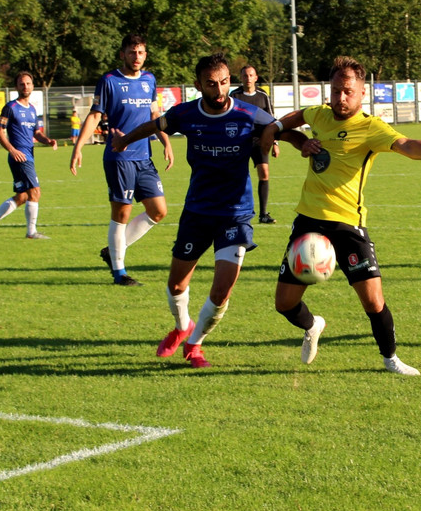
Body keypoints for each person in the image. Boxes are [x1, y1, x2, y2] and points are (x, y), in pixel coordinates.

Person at [261, 56, 421, 376]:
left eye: (348, 92)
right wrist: (290, 135)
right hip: (308, 223)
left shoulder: (371, 128)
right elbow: (293, 120)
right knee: (284, 303)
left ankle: (391, 359)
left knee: (373, 301)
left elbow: (406, 144)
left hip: (347, 225)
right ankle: (313, 325)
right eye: (336, 91)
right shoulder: (319, 114)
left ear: (362, 93)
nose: (341, 98)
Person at [112, 54, 298, 367]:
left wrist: (305, 144)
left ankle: (195, 343)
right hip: (197, 211)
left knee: (222, 289)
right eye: (211, 84)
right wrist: (124, 141)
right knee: (176, 285)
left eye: (224, 82)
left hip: (235, 213)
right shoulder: (185, 114)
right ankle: (182, 325)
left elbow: (281, 129)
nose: (219, 89)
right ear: (198, 85)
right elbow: (155, 125)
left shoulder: (247, 113)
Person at [70, 34, 174, 286]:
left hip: (144, 157)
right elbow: (95, 116)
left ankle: (113, 250)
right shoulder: (109, 81)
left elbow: (154, 115)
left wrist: (166, 142)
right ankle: (119, 273)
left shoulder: (149, 80)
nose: (136, 57)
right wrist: (78, 147)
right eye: (131, 52)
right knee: (122, 212)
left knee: (158, 211)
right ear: (122, 54)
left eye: (140, 52)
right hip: (120, 157)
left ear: (145, 55)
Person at [0, 71, 58, 240]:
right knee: (35, 192)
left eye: (28, 83)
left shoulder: (32, 109)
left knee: (23, 196)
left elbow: (36, 132)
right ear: (16, 87)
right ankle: (31, 232)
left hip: (28, 156)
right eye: (22, 84)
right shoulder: (11, 107)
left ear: (32, 86)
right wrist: (12, 150)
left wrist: (48, 141)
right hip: (20, 158)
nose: (25, 86)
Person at [229, 65, 279, 224]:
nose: (248, 78)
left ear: (256, 77)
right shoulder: (234, 95)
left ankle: (263, 214)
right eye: (245, 75)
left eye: (251, 75)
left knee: (264, 173)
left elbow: (272, 120)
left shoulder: (263, 95)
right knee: (238, 176)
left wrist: (275, 142)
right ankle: (234, 212)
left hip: (260, 141)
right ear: (241, 78)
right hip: (240, 142)